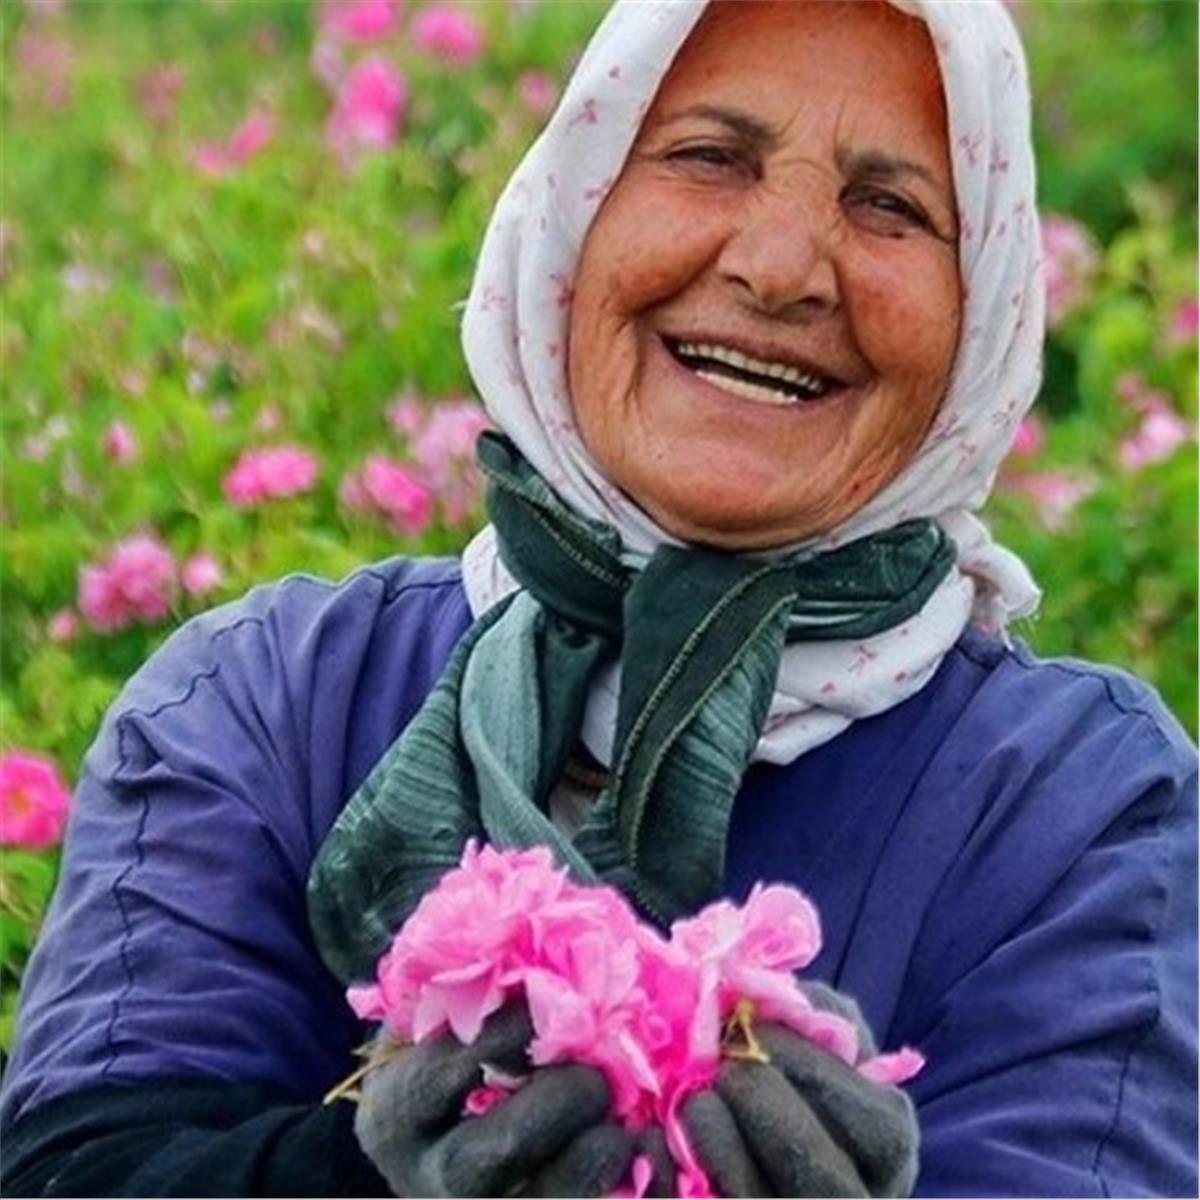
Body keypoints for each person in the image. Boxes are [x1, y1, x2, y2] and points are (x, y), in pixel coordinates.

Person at [2, 1, 1195, 1196]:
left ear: (981, 308)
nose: (779, 269)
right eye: (709, 157)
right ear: (570, 212)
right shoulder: (267, 701)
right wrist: (383, 1176)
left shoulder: (1081, 806)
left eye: (889, 206)